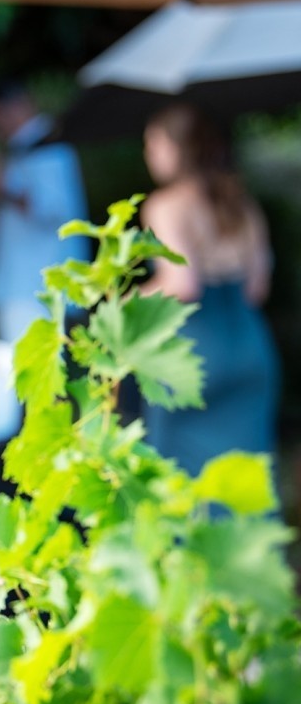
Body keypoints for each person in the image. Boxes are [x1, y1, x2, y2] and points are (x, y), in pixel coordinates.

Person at [139, 104, 279, 474]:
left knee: (181, 479)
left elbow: (183, 284)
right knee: (248, 479)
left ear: (175, 148)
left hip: (194, 356)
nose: (148, 154)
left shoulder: (165, 205)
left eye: (153, 144)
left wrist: (125, 303)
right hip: (249, 347)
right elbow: (256, 289)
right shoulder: (241, 204)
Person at [0, 77, 89, 342]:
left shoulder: (50, 145)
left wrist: (3, 187)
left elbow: (52, 210)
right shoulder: (22, 148)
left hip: (36, 289)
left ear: (16, 106)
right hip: (21, 286)